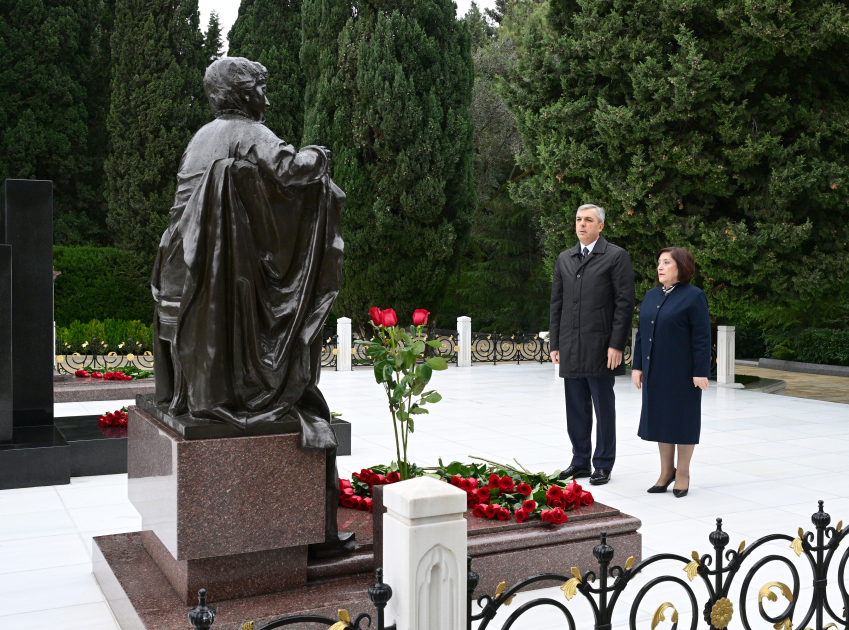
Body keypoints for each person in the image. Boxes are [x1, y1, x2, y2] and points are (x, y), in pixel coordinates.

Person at [150, 57, 352, 555]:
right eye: (262, 88)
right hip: (218, 285)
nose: (268, 98)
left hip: (181, 275)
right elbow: (291, 170)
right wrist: (320, 156)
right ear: (243, 95)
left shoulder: (202, 136)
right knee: (302, 397)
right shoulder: (248, 131)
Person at [549, 204, 635, 485]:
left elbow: (624, 304)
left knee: (603, 406)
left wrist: (617, 344)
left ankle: (603, 463)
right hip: (571, 346)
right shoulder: (565, 258)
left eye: (588, 220)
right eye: (578, 219)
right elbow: (557, 303)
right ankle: (580, 461)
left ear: (601, 226)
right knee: (575, 407)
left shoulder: (615, 256)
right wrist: (556, 342)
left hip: (601, 347)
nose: (582, 224)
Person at [632, 247, 711, 498]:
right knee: (660, 421)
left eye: (666, 262)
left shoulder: (694, 296)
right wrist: (637, 366)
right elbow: (641, 334)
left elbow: (701, 337)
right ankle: (666, 472)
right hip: (655, 371)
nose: (660, 267)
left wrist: (701, 371)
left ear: (681, 267)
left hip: (683, 373)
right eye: (659, 262)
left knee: (683, 422)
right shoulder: (651, 295)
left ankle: (683, 473)